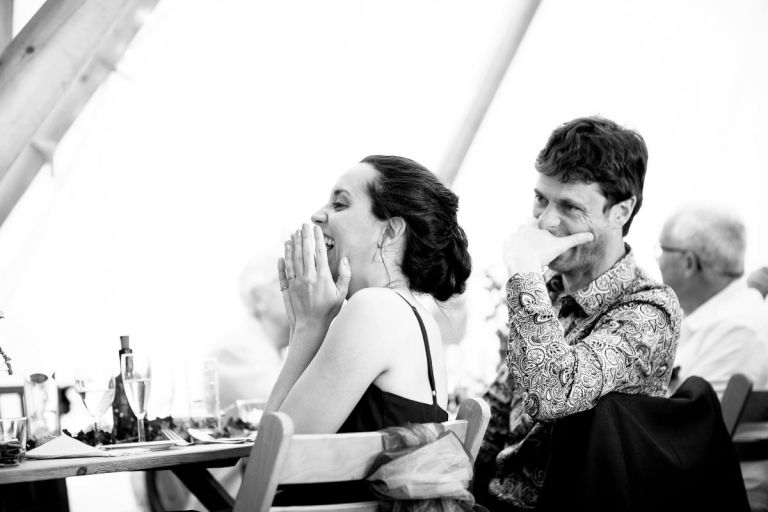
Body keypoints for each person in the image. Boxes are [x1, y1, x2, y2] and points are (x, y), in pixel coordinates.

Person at [474, 116, 682, 511]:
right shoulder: (550, 290)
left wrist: (524, 274)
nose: (546, 221)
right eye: (541, 199)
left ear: (621, 211)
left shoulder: (649, 311)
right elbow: (501, 411)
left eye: (570, 206)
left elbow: (549, 394)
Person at [265, 154, 472, 435]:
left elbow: (271, 460)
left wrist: (307, 326)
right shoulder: (412, 314)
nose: (317, 214)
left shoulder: (375, 308)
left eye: (340, 203)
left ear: (389, 231)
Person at [659, 206, 768, 398]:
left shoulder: (740, 329)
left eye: (662, 250)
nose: (658, 260)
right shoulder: (701, 316)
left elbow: (690, 421)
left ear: (688, 263)